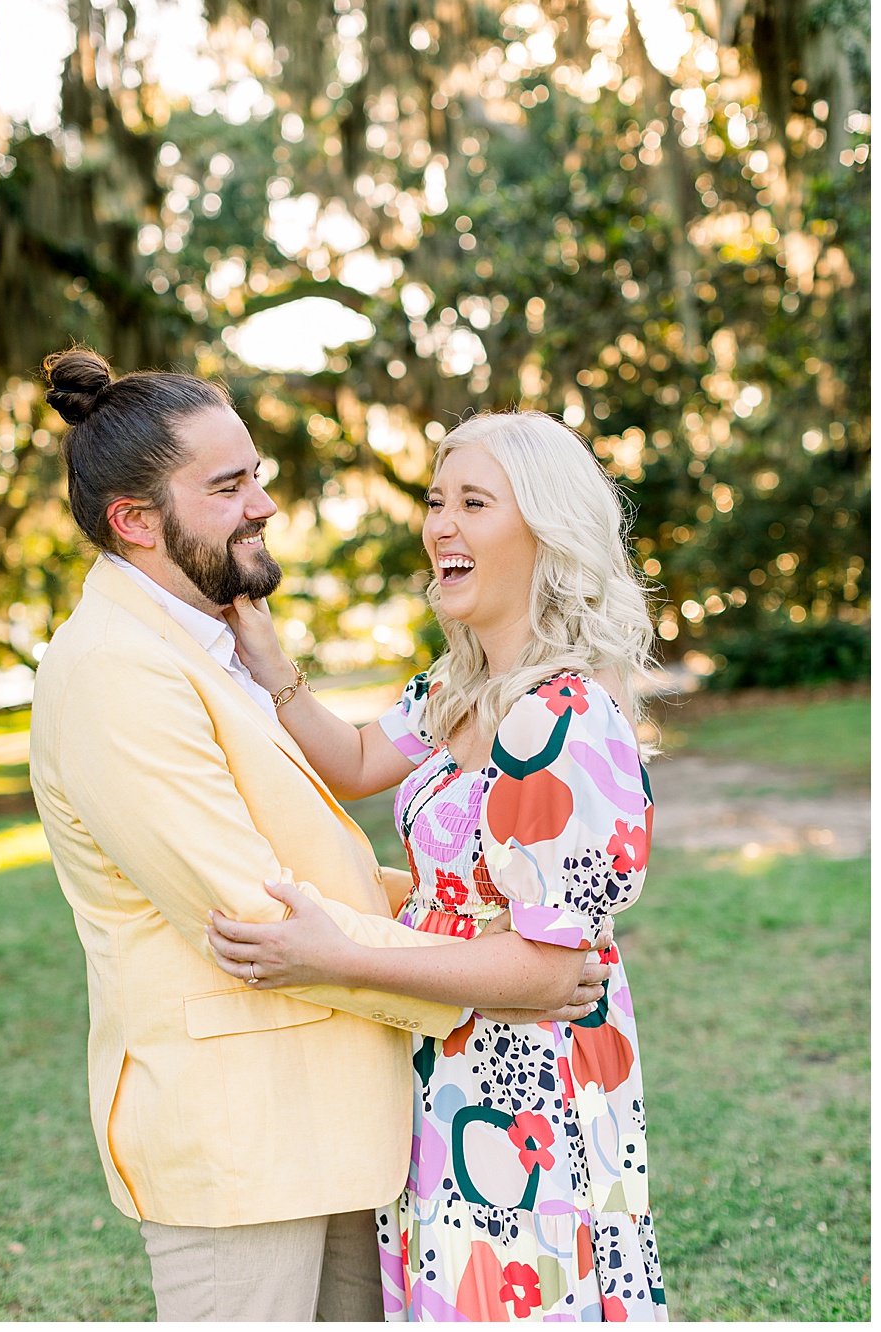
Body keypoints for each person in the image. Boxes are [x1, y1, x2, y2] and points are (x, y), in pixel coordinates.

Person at [27, 350, 609, 1321]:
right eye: (229, 486)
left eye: (257, 475)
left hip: (335, 1112)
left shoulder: (207, 643)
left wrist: (468, 931)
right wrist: (515, 968)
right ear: (135, 521)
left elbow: (320, 848)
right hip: (243, 1139)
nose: (262, 504)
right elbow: (259, 918)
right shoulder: (113, 670)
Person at [205, 409, 666, 1320]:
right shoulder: (456, 686)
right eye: (435, 500)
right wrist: (269, 661)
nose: (440, 525)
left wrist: (336, 958)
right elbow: (358, 762)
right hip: (444, 1055)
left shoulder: (561, 717)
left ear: (544, 529)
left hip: (527, 1089)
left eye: (474, 503)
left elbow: (547, 969)